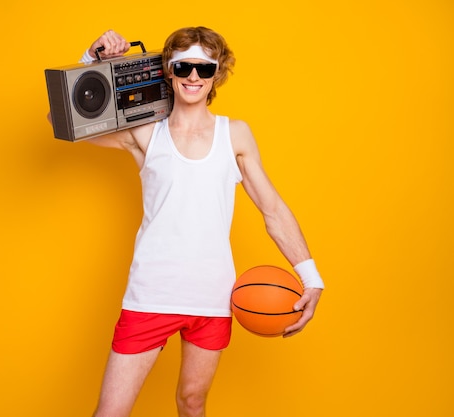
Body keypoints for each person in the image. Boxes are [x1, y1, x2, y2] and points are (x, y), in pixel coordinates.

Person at [51, 27, 324, 417]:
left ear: (216, 73)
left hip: (212, 299)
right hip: (151, 295)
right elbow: (59, 120)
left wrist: (311, 277)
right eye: (184, 66)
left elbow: (273, 209)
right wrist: (91, 59)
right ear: (169, 70)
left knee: (192, 403)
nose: (193, 76)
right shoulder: (144, 131)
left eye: (203, 67)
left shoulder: (236, 134)